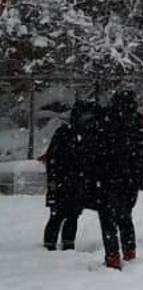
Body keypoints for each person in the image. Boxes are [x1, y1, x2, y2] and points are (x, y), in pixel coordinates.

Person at [93, 90, 143, 269]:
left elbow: (95, 149)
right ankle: (129, 251)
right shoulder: (138, 122)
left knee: (108, 218)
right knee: (125, 216)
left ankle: (112, 255)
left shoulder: (105, 122)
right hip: (130, 178)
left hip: (107, 177)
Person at [42, 100, 94, 251]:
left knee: (71, 215)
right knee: (58, 215)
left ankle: (67, 245)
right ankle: (50, 246)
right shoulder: (65, 133)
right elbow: (52, 159)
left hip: (76, 182)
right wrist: (53, 179)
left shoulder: (86, 135)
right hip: (63, 181)